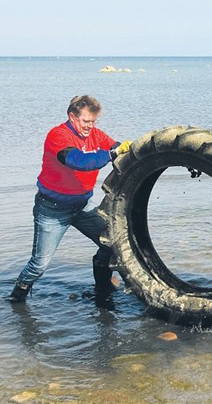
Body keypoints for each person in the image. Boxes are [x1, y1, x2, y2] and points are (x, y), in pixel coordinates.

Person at [10, 95, 132, 302]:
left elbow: (115, 147)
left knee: (112, 243)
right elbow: (79, 161)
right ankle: (16, 297)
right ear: (72, 116)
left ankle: (102, 290)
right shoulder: (58, 136)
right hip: (52, 209)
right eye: (85, 121)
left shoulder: (96, 134)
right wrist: (111, 154)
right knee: (39, 264)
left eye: (93, 121)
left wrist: (128, 149)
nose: (89, 126)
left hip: (82, 206)